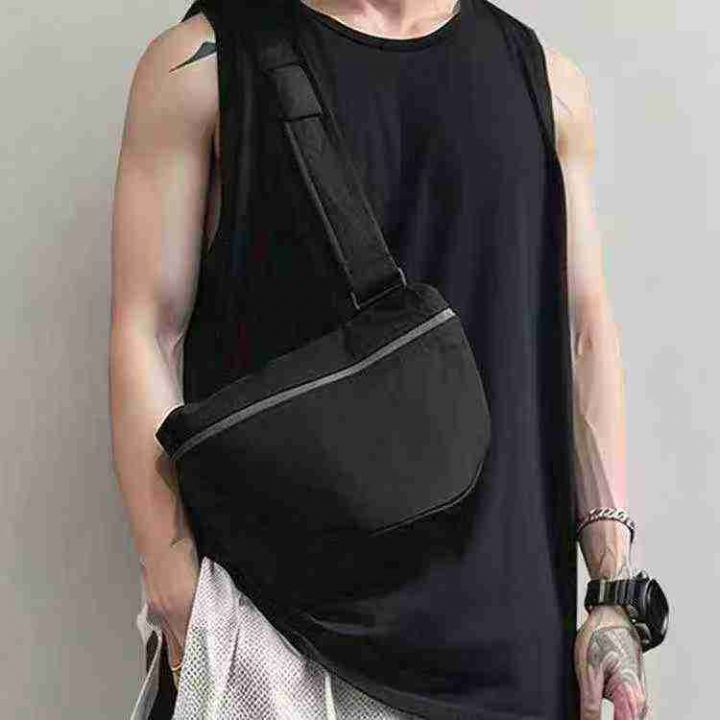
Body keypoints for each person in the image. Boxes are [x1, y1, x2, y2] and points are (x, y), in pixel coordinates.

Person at [110, 1, 653, 718]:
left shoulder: (546, 84)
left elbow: (584, 333)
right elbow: (146, 331)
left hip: (510, 657)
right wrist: (173, 580)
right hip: (279, 646)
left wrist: (612, 594)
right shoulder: (201, 66)